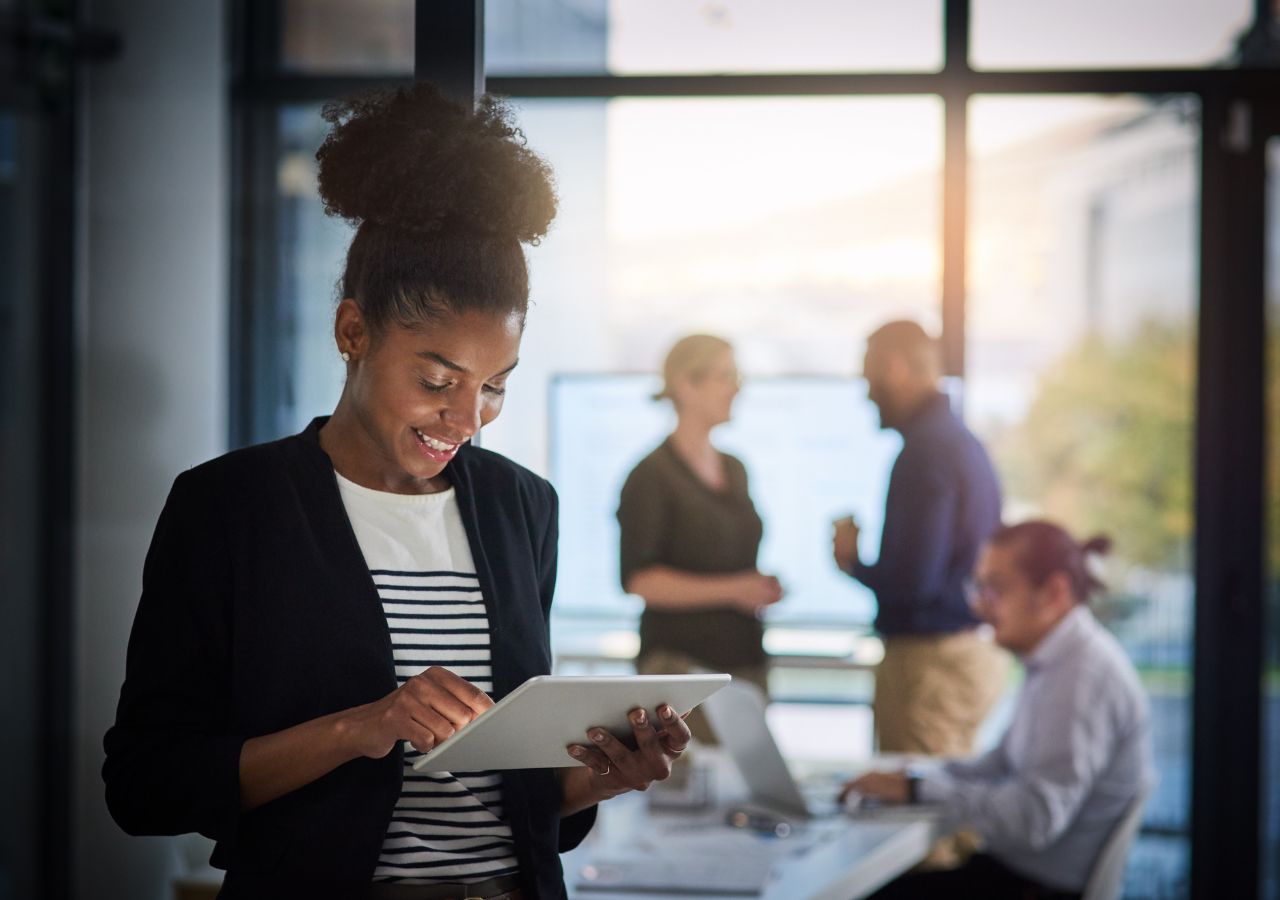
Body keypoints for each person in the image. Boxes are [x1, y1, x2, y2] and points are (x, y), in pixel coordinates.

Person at [102, 84, 690, 900]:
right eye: (438, 379)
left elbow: (521, 805)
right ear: (353, 333)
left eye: (495, 386)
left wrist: (604, 775)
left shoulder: (523, 507)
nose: (468, 418)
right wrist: (363, 727)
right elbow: (145, 784)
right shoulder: (232, 507)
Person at [842, 521, 1153, 900]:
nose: (977, 605)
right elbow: (1001, 763)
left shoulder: (1081, 677)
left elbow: (1033, 818)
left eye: (995, 588)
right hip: (1019, 874)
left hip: (1038, 887)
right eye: (978, 586)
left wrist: (920, 789)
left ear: (1053, 592)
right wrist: (917, 778)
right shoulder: (1057, 662)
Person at [832, 320, 1006, 758]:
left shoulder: (925, 452)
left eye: (870, 378)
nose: (867, 394)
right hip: (963, 654)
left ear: (895, 368)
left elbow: (915, 582)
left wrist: (852, 560)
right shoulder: (963, 443)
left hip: (929, 664)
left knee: (915, 812)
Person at [616, 335, 783, 701]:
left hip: (744, 665)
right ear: (685, 384)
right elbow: (641, 580)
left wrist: (757, 587)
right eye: (725, 376)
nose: (735, 388)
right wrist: (736, 589)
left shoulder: (735, 468)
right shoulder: (650, 476)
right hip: (680, 671)